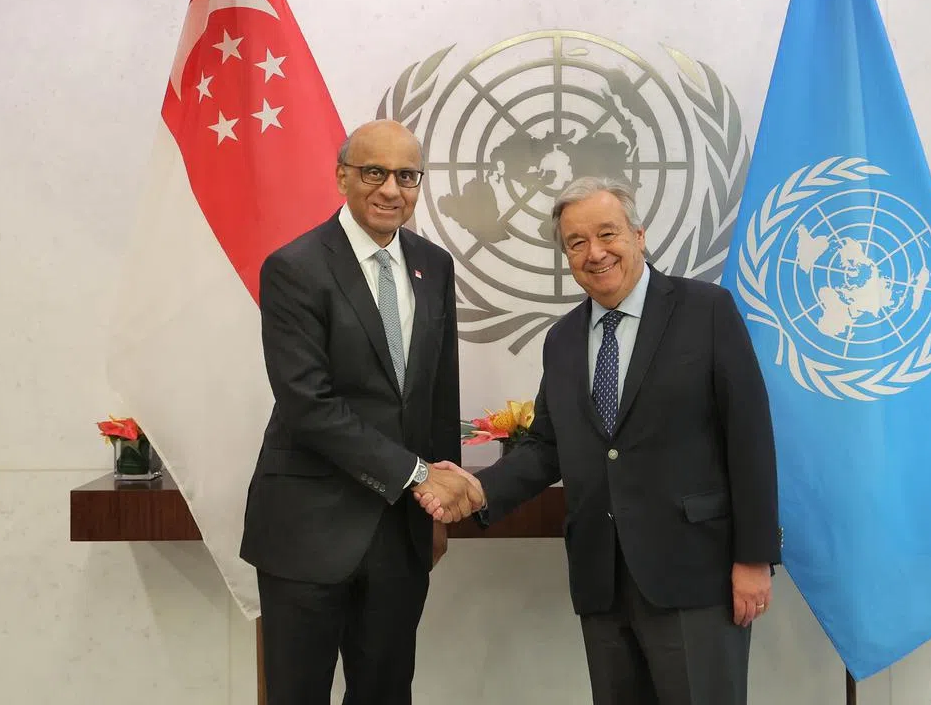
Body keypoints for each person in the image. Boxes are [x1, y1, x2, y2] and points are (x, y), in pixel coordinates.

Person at [419, 175, 781, 705]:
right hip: (602, 581)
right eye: (576, 242)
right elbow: (546, 446)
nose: (595, 253)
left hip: (694, 574)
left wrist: (753, 558)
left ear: (638, 235)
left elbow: (749, 437)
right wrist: (478, 489)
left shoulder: (706, 312)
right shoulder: (563, 339)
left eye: (607, 234)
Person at [240, 120, 480, 705]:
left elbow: (437, 393)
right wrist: (421, 476)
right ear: (343, 175)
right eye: (374, 172)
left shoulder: (434, 265)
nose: (390, 189)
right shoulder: (295, 268)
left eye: (406, 176)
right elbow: (309, 406)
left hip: (400, 531)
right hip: (308, 528)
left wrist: (437, 510)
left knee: (387, 692)